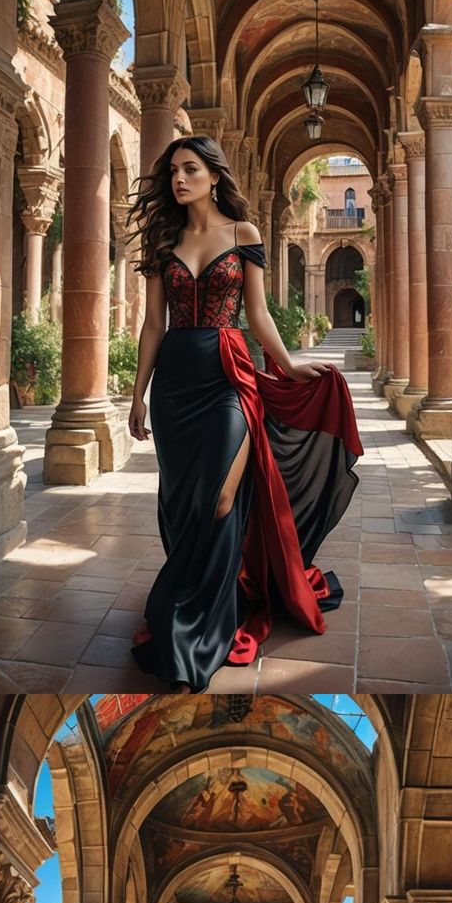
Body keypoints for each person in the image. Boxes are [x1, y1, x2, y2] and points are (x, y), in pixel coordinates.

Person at [126, 136, 363, 691]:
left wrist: (288, 365)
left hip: (228, 377)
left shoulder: (244, 234)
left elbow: (257, 314)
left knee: (222, 496)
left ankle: (205, 614)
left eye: (190, 169)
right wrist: (138, 394)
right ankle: (197, 595)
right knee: (183, 502)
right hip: (175, 384)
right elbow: (154, 324)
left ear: (214, 176)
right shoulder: (164, 240)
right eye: (173, 171)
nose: (179, 179)